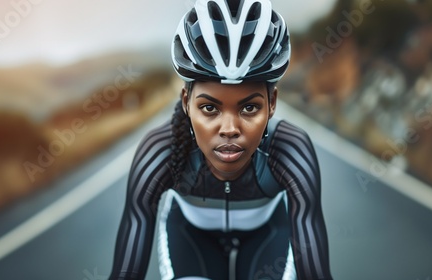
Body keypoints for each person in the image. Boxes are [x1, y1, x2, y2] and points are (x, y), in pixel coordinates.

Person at [109, 0, 333, 279]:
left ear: (272, 103)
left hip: (267, 234)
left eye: (249, 107)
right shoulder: (161, 150)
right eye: (209, 108)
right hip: (191, 236)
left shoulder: (289, 149)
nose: (229, 129)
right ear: (186, 102)